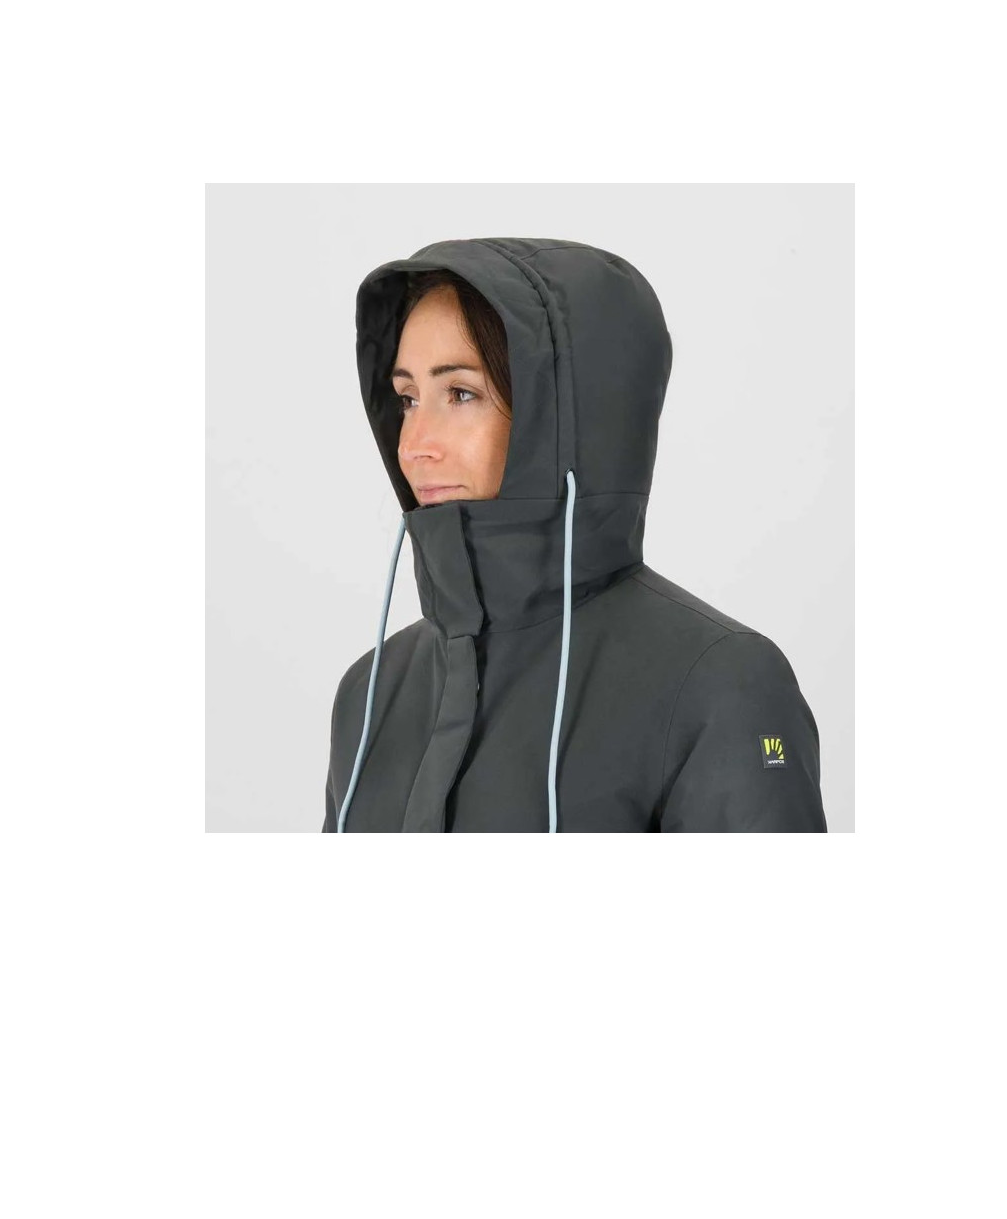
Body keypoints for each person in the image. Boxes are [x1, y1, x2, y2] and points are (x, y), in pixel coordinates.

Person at [323, 237, 827, 832]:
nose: (413, 446)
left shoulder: (720, 686)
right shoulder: (371, 692)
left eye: (460, 393)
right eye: (407, 399)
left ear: (569, 419)